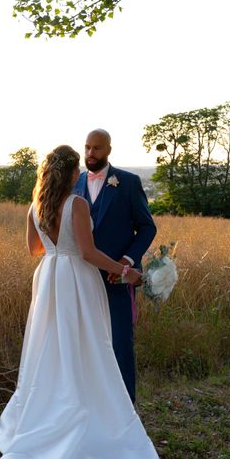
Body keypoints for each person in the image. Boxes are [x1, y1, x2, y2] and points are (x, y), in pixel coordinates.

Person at [0, 145, 163, 459]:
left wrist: (55, 246)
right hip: (77, 281)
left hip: (49, 278)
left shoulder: (35, 206)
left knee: (51, 345)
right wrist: (128, 271)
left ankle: (47, 410)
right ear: (72, 174)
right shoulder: (77, 204)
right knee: (87, 344)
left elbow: (34, 249)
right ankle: (81, 411)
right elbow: (88, 253)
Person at [73, 129, 157, 402]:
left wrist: (126, 262)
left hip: (116, 279)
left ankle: (125, 410)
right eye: (87, 147)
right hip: (79, 277)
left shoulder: (129, 183)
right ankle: (91, 406)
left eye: (96, 148)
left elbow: (146, 228)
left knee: (121, 344)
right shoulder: (73, 184)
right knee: (83, 344)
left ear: (109, 150)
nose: (90, 154)